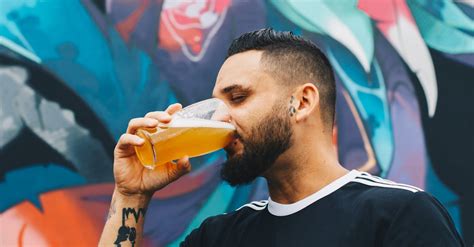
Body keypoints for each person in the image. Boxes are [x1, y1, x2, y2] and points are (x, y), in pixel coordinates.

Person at [99, 28, 464, 246]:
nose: (221, 116)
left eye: (238, 98)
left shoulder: (398, 214)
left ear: (302, 102)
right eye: (217, 103)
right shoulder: (221, 237)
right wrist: (131, 193)